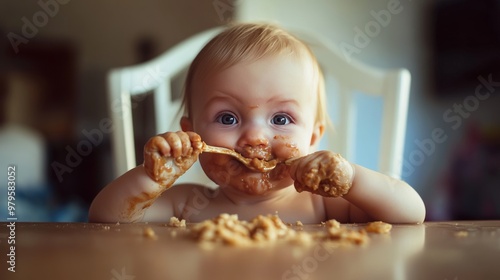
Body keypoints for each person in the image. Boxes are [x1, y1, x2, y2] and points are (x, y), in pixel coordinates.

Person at [88, 23, 425, 224]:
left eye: (281, 119)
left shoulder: (325, 205)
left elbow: (411, 213)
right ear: (193, 135)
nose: (255, 137)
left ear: (313, 137)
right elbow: (106, 218)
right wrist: (151, 176)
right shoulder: (188, 204)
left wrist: (349, 179)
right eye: (227, 117)